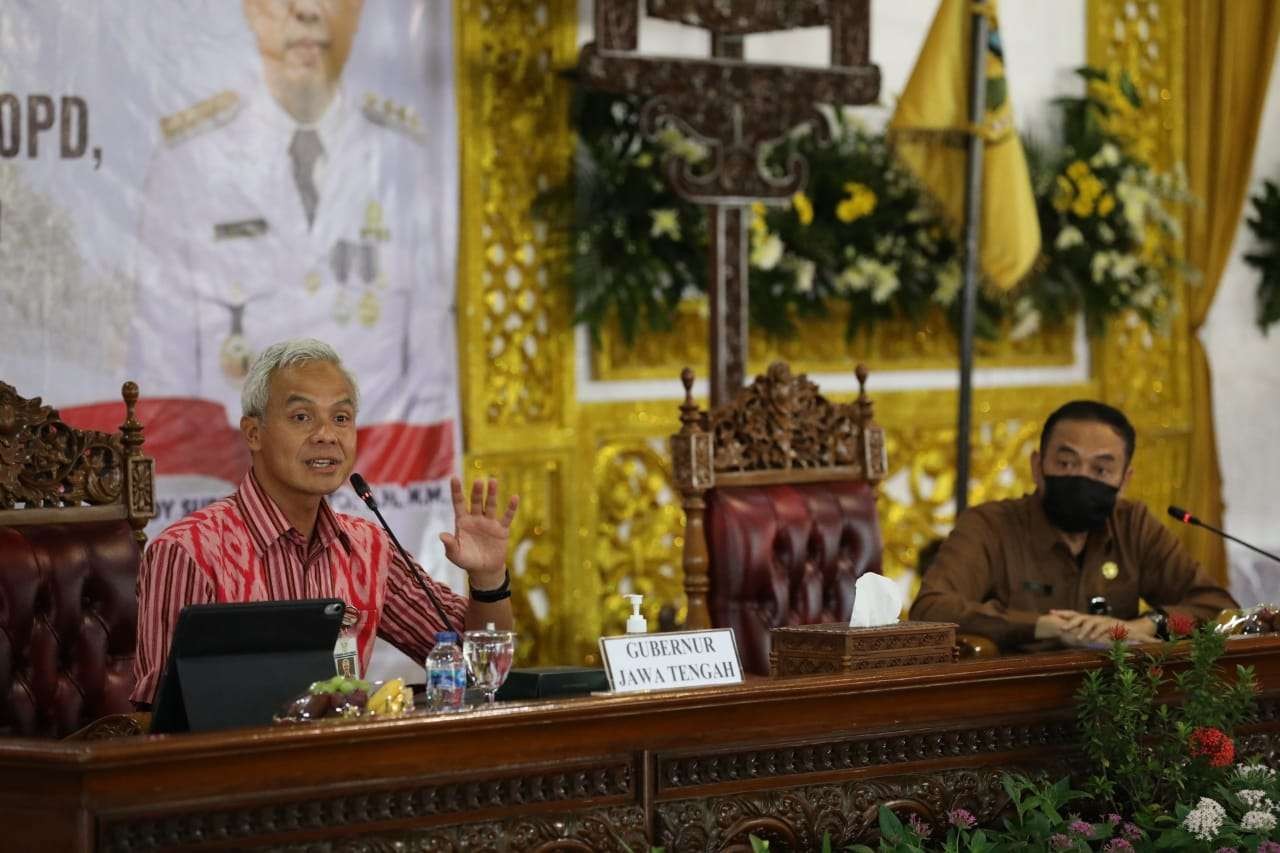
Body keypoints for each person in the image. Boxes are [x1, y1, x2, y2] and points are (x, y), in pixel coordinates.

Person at [129, 0, 455, 450]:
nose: (306, 10)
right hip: (232, 487)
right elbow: (160, 369)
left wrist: (410, 503)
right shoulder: (190, 162)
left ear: (358, 12)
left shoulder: (401, 158)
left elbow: (430, 373)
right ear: (250, 11)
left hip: (380, 490)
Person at [131, 339, 513, 706]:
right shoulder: (188, 551)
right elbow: (159, 721)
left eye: (341, 418)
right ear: (253, 433)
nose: (327, 435)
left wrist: (489, 579)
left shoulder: (367, 547)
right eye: (301, 417)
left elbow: (475, 665)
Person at [908, 400, 1236, 651]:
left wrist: (1146, 626)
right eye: (1066, 463)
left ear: (1124, 480)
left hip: (1117, 704)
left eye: (1101, 470)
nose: (1081, 477)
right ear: (1038, 467)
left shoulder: (1132, 525)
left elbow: (1218, 609)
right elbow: (931, 610)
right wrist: (1045, 626)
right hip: (1016, 705)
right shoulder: (990, 525)